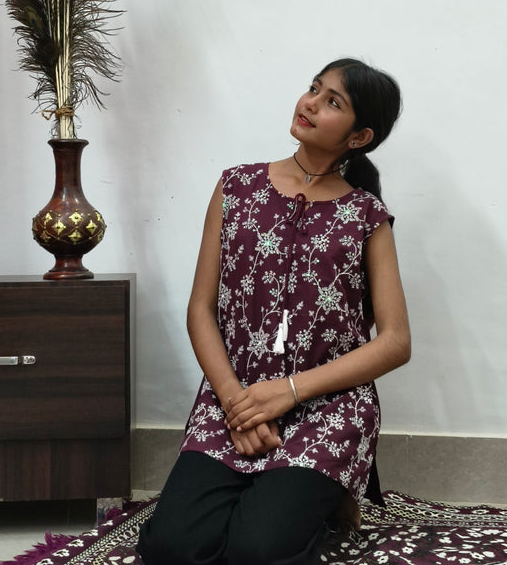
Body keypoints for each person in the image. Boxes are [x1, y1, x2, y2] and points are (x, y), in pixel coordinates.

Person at [137, 57, 411, 565]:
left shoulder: (367, 216)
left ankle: (326, 495)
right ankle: (305, 495)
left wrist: (285, 393)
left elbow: (396, 341)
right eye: (314, 88)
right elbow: (201, 308)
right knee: (172, 547)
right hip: (234, 397)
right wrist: (237, 403)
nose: (310, 102)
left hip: (327, 409)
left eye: (333, 102)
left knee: (257, 551)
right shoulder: (236, 187)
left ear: (359, 136)